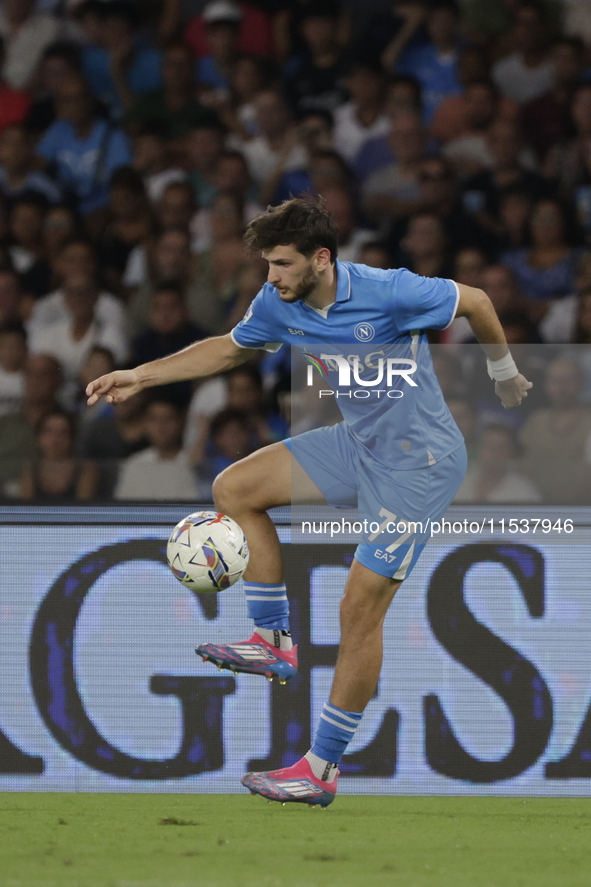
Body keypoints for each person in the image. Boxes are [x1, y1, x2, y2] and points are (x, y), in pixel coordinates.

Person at [86, 194, 532, 807]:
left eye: (282, 264)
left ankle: (320, 769)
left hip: (416, 466)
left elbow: (477, 301)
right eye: (268, 265)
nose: (271, 277)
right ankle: (272, 640)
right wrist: (141, 375)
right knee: (233, 488)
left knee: (358, 612)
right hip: (360, 444)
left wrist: (504, 373)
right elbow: (229, 347)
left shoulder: (391, 290)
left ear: (321, 259)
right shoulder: (277, 302)